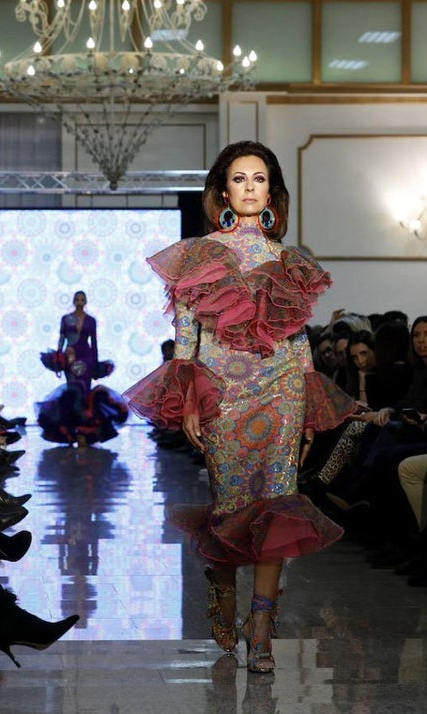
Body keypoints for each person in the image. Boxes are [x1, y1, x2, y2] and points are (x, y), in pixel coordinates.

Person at [124, 141, 355, 673]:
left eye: (259, 179)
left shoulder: (288, 261)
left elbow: (297, 338)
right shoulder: (200, 253)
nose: (250, 188)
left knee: (279, 500)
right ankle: (223, 593)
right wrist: (186, 398)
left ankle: (262, 627)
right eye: (239, 179)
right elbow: (185, 335)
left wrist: (307, 403)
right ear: (222, 190)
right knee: (229, 503)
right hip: (221, 392)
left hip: (282, 391)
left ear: (271, 191)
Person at [37, 290, 128, 447]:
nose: (80, 301)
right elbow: (62, 338)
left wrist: (95, 362)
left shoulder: (91, 321)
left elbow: (94, 342)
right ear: (74, 301)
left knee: (86, 393)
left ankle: (84, 434)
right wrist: (59, 359)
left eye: (82, 299)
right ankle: (71, 433)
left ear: (85, 301)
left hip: (86, 357)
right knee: (73, 392)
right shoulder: (66, 319)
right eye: (77, 299)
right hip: (71, 357)